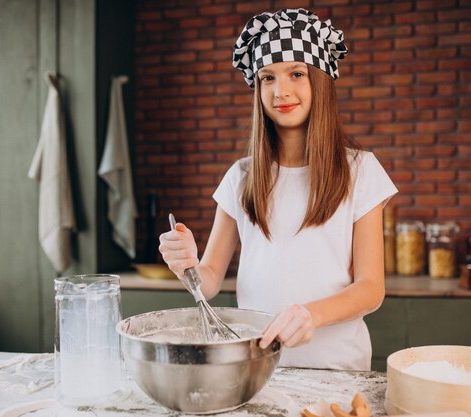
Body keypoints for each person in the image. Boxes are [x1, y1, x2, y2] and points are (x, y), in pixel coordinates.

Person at [159, 8, 398, 371]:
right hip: (257, 369)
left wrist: (311, 314)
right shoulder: (240, 178)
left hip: (338, 371)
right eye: (267, 78)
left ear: (320, 81)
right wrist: (186, 264)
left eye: (296, 74)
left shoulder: (361, 171)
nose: (280, 91)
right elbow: (207, 282)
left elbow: (370, 289)